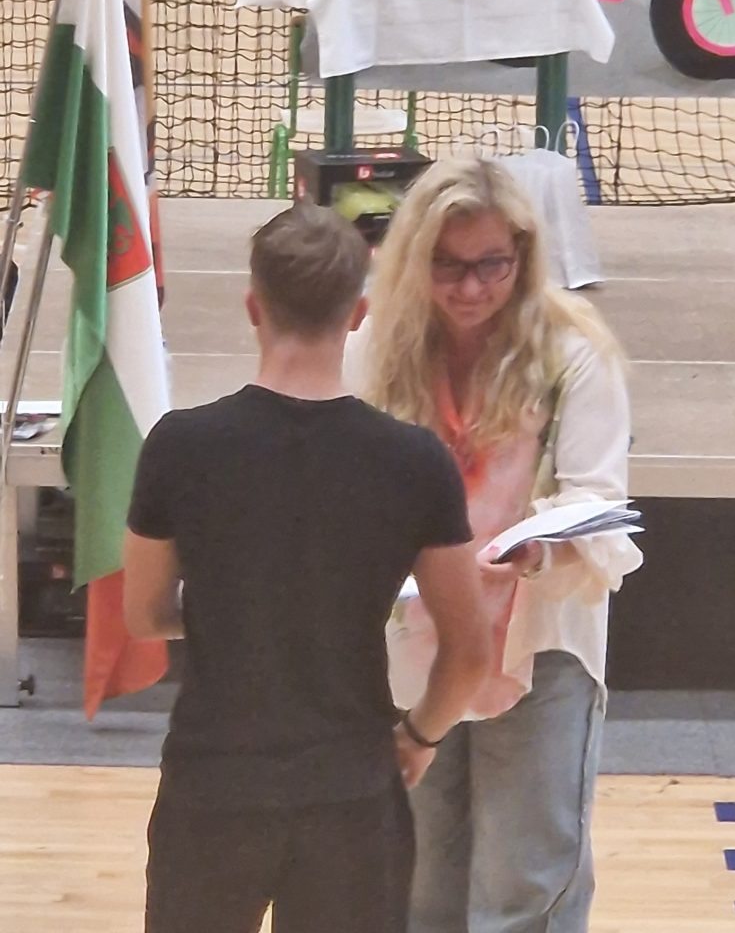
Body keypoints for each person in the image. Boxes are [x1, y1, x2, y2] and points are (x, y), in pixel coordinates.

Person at [122, 202, 492, 933]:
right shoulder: (414, 461)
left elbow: (143, 613)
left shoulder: (180, 445)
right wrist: (420, 737)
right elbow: (471, 651)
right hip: (352, 793)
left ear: (253, 308)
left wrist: (233, 604)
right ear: (358, 315)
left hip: (213, 787)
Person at [346, 158, 643, 933]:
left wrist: (540, 551)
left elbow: (598, 500)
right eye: (448, 266)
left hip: (536, 644)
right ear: (414, 257)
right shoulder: (377, 345)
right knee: (419, 879)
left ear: (524, 256)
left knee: (525, 882)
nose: (471, 288)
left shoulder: (574, 351)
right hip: (418, 644)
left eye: (492, 266)